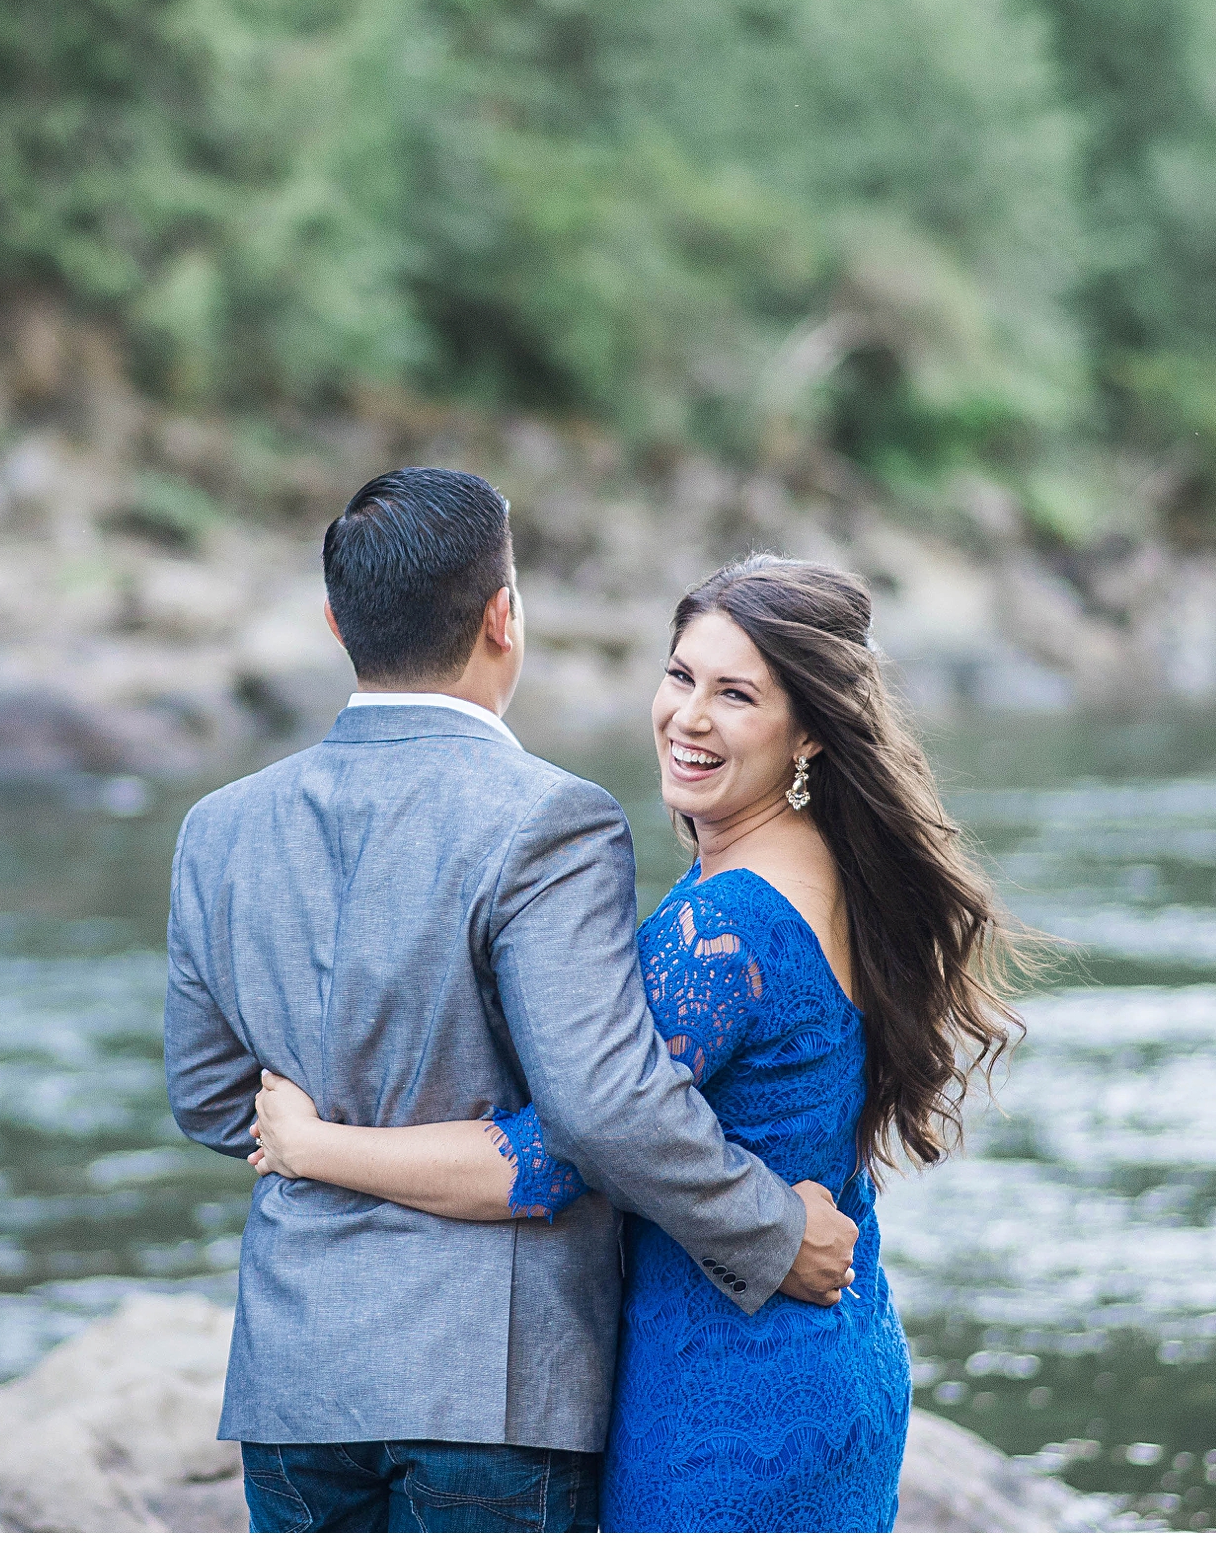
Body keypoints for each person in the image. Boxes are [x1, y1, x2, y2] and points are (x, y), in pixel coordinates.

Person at [248, 552, 1029, 1531]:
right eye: (679, 675)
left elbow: (544, 1162)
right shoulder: (825, 868)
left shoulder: (724, 928)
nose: (688, 717)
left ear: (810, 736)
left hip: (728, 1404)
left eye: (735, 695)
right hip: (829, 1354)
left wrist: (310, 1145)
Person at [164, 470, 860, 1533]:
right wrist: (769, 1230)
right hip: (492, 1385)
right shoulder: (553, 818)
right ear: (503, 617)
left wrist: (315, 1137)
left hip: (298, 1372)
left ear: (333, 621)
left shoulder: (219, 827)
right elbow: (602, 1109)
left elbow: (213, 1102)